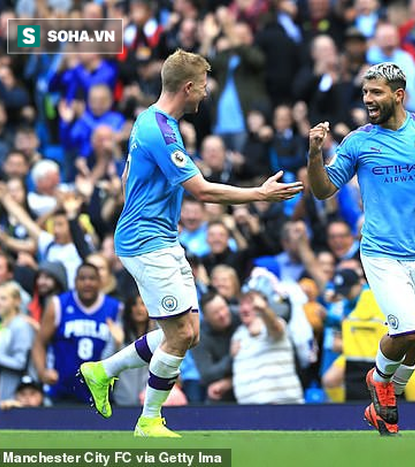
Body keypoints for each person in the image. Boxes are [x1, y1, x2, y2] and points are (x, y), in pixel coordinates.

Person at [78, 49, 303, 438]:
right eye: (202, 87)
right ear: (187, 87)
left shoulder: (149, 120)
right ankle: (148, 420)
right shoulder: (161, 130)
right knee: (180, 335)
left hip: (162, 236)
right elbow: (201, 190)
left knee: (189, 332)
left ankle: (102, 371)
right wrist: (259, 195)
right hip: (146, 241)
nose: (204, 94)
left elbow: (130, 176)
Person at [307, 62, 415, 435]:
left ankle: (384, 403)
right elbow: (324, 190)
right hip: (381, 253)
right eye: (365, 93)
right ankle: (379, 379)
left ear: (399, 95)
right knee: (406, 329)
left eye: (376, 93)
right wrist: (313, 155)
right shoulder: (358, 141)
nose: (368, 100)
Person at [32, 263, 123, 406]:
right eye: (82, 278)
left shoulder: (115, 308)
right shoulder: (59, 304)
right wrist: (42, 371)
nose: (87, 283)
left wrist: (119, 343)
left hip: (100, 393)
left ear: (100, 282)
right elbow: (39, 342)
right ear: (75, 282)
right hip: (62, 389)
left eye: (92, 278)